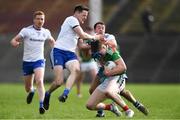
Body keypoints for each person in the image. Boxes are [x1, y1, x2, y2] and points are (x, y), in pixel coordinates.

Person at [43, 5, 104, 110]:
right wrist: (96, 37)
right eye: (84, 15)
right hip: (58, 51)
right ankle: (47, 94)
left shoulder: (77, 25)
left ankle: (65, 93)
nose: (85, 17)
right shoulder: (71, 19)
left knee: (76, 69)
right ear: (77, 12)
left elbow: (82, 40)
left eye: (86, 16)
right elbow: (83, 35)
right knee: (58, 82)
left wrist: (99, 44)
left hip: (70, 53)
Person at [89, 21, 149, 117]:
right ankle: (102, 111)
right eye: (99, 27)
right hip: (103, 68)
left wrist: (104, 43)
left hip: (113, 65)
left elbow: (114, 45)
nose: (101, 29)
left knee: (120, 91)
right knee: (92, 90)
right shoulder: (92, 38)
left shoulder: (108, 37)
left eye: (102, 28)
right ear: (95, 29)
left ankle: (135, 103)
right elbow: (84, 45)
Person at [10, 11, 55, 114]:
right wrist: (15, 43)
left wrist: (56, 49)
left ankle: (41, 105)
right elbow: (13, 40)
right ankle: (31, 91)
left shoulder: (46, 32)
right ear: (34, 20)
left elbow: (52, 41)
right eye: (38, 19)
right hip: (27, 62)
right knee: (27, 88)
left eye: (42, 19)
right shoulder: (26, 31)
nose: (40, 21)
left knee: (39, 81)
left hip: (39, 61)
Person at [86, 35, 134, 118]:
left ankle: (128, 110)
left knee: (109, 92)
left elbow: (123, 68)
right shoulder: (96, 53)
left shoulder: (111, 52)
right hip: (107, 77)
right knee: (90, 106)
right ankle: (110, 107)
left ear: (104, 47)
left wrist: (109, 73)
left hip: (117, 76)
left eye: (99, 52)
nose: (98, 55)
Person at [76, 27, 98, 97]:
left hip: (91, 61)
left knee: (95, 77)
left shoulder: (93, 40)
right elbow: (81, 47)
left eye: (91, 32)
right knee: (79, 78)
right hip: (82, 61)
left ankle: (95, 92)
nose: (89, 34)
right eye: (88, 32)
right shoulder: (81, 39)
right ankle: (78, 93)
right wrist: (92, 46)